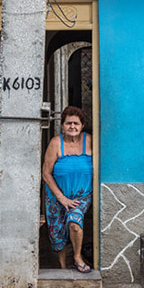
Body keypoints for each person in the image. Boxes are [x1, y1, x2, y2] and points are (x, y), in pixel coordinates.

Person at [42, 105, 94, 273]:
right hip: (56, 196)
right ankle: (63, 268)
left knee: (74, 222)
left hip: (81, 196)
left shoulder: (90, 141)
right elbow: (46, 173)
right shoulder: (56, 143)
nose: (72, 127)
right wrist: (61, 198)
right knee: (58, 235)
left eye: (76, 123)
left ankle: (77, 257)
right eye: (68, 123)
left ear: (82, 125)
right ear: (62, 125)